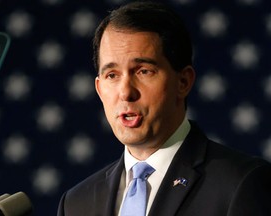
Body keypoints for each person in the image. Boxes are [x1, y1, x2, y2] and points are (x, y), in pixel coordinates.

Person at [57, 1, 271, 216]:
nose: (125, 92)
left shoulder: (241, 183)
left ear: (183, 82)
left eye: (143, 71)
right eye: (112, 75)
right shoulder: (76, 204)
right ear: (99, 89)